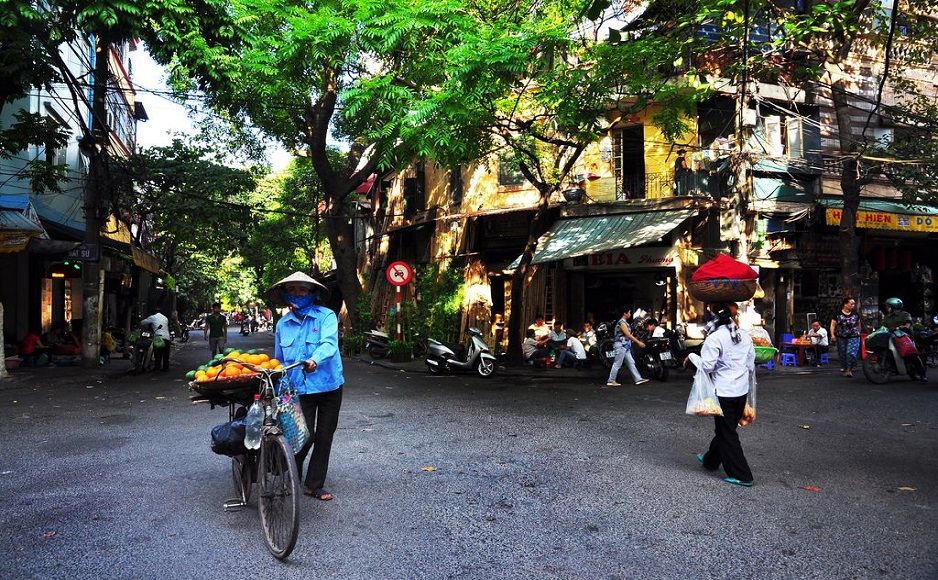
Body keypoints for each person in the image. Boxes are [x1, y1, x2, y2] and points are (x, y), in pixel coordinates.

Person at [271, 271, 344, 501]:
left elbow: (329, 344)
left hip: (329, 385)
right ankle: (292, 476)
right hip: (299, 389)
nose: (297, 294)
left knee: (324, 436)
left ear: (312, 293)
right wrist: (275, 382)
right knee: (303, 436)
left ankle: (313, 485)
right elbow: (279, 359)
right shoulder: (283, 324)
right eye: (292, 290)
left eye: (302, 289)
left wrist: (315, 360)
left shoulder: (326, 317)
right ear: (285, 294)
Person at [696, 302, 756, 487]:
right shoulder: (744, 336)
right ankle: (710, 460)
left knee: (727, 432)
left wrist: (691, 358)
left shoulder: (715, 338)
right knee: (726, 428)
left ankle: (743, 475)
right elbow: (750, 363)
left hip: (723, 392)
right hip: (740, 391)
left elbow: (707, 366)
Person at [606, 306, 648, 387]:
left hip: (625, 346)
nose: (630, 314)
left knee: (631, 362)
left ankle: (638, 379)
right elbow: (628, 335)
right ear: (625, 313)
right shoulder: (622, 323)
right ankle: (611, 380)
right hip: (621, 345)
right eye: (629, 312)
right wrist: (638, 342)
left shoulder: (625, 322)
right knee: (617, 363)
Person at [830, 297, 860, 378]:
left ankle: (849, 370)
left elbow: (858, 324)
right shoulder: (837, 314)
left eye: (854, 304)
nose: (853, 305)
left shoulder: (855, 314)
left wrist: (859, 333)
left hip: (854, 336)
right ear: (845, 304)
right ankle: (845, 367)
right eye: (851, 304)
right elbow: (833, 325)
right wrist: (832, 335)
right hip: (841, 337)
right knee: (842, 354)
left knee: (851, 353)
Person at [140, 307, 172, 371]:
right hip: (167, 337)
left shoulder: (153, 317)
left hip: (158, 337)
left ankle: (157, 367)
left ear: (154, 312)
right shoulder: (165, 318)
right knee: (166, 354)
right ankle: (165, 368)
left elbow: (142, 322)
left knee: (158, 354)